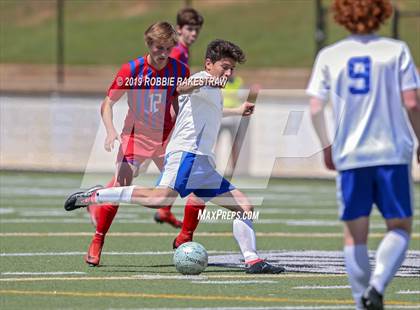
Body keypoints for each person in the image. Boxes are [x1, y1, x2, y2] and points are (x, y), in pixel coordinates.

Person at [66, 39, 285, 274]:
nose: (229, 73)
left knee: (244, 206)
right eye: (225, 67)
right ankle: (96, 195)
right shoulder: (202, 80)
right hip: (186, 155)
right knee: (158, 200)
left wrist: (238, 111)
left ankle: (252, 260)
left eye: (233, 69)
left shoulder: (214, 90)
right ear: (209, 64)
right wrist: (207, 79)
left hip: (203, 164)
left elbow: (212, 111)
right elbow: (184, 87)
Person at [306, 0, 420, 309]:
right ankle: (378, 287)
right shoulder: (396, 51)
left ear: (342, 14)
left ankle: (361, 302)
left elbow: (315, 107)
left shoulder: (330, 55)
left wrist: (327, 146)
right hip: (392, 153)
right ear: (382, 12)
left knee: (354, 236)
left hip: (351, 155)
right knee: (399, 227)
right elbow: (412, 103)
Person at [83, 22, 190, 267]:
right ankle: (98, 239)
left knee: (185, 185)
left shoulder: (180, 70)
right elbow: (108, 103)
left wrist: (179, 128)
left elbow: (177, 100)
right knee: (121, 186)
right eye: (158, 48)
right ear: (148, 44)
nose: (163, 53)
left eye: (168, 48)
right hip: (135, 137)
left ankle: (184, 236)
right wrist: (110, 131)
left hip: (165, 138)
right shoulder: (132, 69)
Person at [153, 7, 205, 227]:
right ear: (179, 29)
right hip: (163, 117)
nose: (193, 34)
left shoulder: (182, 50)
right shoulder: (176, 52)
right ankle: (98, 202)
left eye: (196, 30)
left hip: (168, 115)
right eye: (190, 29)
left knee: (174, 165)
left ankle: (164, 208)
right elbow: (165, 83)